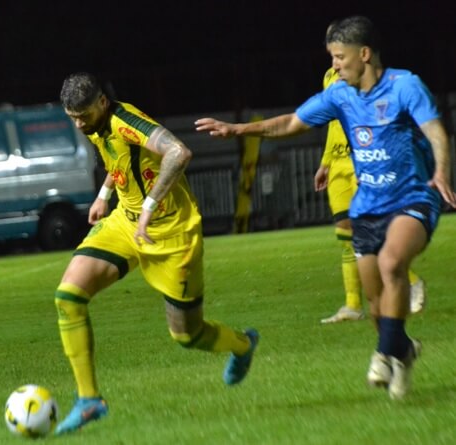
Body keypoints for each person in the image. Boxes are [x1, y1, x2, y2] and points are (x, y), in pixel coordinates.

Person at [195, 16, 456, 400]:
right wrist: (237, 131)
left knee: (392, 265)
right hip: (367, 207)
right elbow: (290, 123)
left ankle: (384, 353)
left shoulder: (405, 85)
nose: (334, 65)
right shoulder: (339, 94)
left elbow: (435, 129)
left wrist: (441, 173)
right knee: (374, 301)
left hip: (413, 197)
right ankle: (402, 351)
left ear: (363, 54)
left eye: (339, 56)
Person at [54, 72, 259, 435]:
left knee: (187, 335)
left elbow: (179, 152)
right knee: (68, 296)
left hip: (171, 233)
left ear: (102, 102)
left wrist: (149, 206)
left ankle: (242, 344)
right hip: (124, 224)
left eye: (83, 116)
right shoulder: (96, 125)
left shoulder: (125, 120)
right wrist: (105, 196)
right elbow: (121, 159)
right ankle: (89, 401)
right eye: (73, 117)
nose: (79, 124)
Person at [316, 66, 427, 324]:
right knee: (345, 234)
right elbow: (333, 123)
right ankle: (352, 305)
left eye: (339, 51)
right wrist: (325, 162)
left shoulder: (367, 76)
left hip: (361, 160)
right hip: (337, 165)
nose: (335, 58)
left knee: (370, 230)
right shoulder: (329, 76)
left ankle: (411, 281)